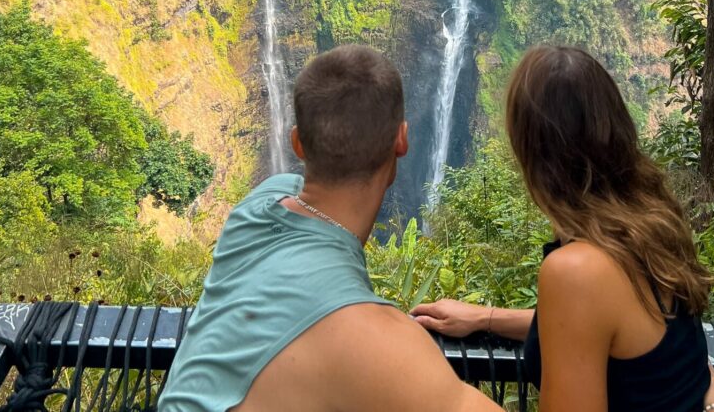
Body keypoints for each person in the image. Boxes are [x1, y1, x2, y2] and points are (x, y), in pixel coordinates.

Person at [158, 45, 499, 412]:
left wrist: (492, 318)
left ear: (297, 143)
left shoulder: (257, 207)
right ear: (402, 140)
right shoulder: (376, 343)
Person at [412, 45, 714, 412]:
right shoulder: (653, 221)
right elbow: (603, 331)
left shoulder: (577, 269)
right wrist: (486, 318)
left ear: (529, 151)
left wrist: (446, 395)